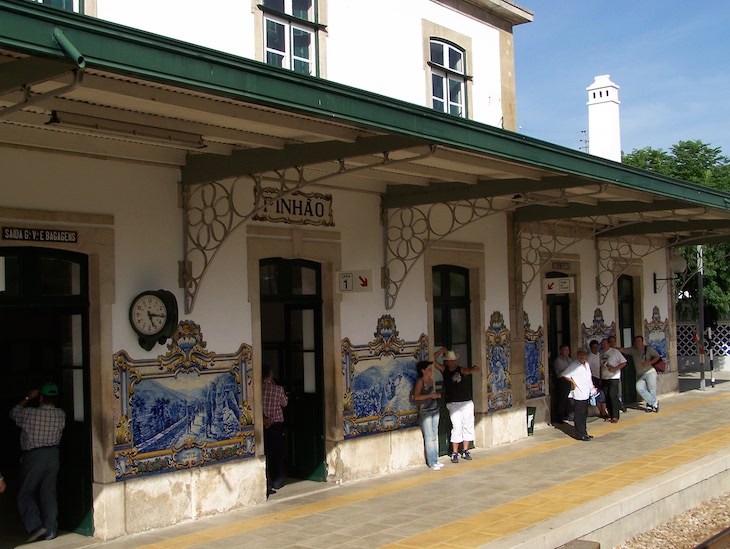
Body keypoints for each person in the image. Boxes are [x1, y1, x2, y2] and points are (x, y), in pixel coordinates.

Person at [9, 382, 66, 542]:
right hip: (53, 455)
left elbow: (13, 412)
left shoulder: (29, 414)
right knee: (49, 493)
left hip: (34, 456)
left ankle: (35, 526)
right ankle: (50, 531)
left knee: (25, 493)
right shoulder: (61, 414)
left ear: (41, 398)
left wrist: (28, 397)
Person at [433, 347, 480, 463]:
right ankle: (454, 452)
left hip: (466, 402)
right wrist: (440, 351)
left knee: (468, 425)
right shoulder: (444, 370)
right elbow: (433, 361)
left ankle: (465, 450)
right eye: (450, 360)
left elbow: (468, 371)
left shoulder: (461, 370)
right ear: (446, 362)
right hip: (453, 403)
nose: (453, 362)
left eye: (454, 360)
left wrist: (474, 369)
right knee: (457, 426)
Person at [262, 365, 288, 496]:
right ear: (270, 375)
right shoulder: (278, 389)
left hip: (263, 424)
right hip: (276, 424)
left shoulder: (257, 389)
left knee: (265, 452)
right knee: (277, 453)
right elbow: (285, 403)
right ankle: (277, 480)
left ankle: (267, 480)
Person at [412, 361, 443, 470]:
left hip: (434, 410)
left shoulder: (431, 381)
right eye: (428, 369)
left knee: (435, 436)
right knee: (429, 437)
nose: (430, 371)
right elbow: (416, 397)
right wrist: (431, 395)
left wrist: (435, 396)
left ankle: (436, 458)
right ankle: (432, 462)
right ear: (423, 371)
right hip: (426, 412)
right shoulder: (420, 382)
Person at [562, 347, 596, 441]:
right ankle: (579, 434)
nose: (582, 356)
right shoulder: (574, 365)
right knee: (579, 415)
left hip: (586, 393)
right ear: (577, 355)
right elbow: (565, 374)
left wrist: (592, 389)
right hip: (579, 393)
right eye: (580, 354)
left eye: (583, 354)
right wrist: (573, 382)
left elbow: (589, 379)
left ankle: (584, 432)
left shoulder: (587, 365)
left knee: (584, 414)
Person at [621, 335, 661, 413]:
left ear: (642, 342)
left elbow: (657, 356)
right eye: (636, 341)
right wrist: (611, 347)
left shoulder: (648, 349)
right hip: (639, 374)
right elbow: (622, 350)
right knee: (639, 388)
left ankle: (650, 406)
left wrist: (649, 362)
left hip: (650, 372)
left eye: (639, 341)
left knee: (651, 390)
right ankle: (654, 403)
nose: (637, 343)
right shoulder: (632, 350)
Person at [600, 338, 627, 423]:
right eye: (602, 345)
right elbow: (600, 367)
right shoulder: (601, 354)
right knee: (607, 397)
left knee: (612, 395)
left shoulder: (615, 352)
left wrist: (615, 369)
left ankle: (615, 416)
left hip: (614, 378)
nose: (603, 346)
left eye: (605, 344)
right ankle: (610, 415)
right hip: (605, 378)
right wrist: (600, 378)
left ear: (608, 344)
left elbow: (624, 362)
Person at [587, 339, 608, 418]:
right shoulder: (589, 357)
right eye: (593, 347)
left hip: (602, 377)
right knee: (597, 395)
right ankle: (601, 411)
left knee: (603, 395)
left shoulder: (600, 354)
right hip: (594, 378)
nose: (595, 349)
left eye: (597, 347)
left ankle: (604, 410)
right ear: (591, 348)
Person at [553, 344, 573, 423]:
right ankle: (559, 417)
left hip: (568, 380)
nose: (567, 352)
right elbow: (563, 371)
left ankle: (567, 414)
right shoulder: (558, 360)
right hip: (561, 381)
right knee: (561, 399)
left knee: (568, 399)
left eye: (568, 350)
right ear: (560, 351)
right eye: (565, 350)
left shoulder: (569, 359)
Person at [608, 335, 628, 412]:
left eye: (614, 341)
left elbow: (624, 362)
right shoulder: (606, 351)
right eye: (611, 342)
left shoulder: (617, 351)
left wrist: (615, 369)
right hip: (608, 376)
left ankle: (620, 405)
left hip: (615, 375)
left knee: (616, 392)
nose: (613, 343)